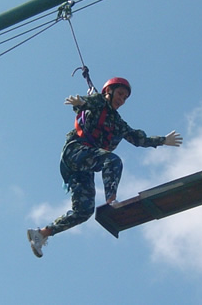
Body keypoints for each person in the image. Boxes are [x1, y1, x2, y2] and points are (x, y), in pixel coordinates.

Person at [27, 77, 182, 258]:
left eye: (125, 98)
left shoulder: (118, 123)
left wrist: (163, 140)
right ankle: (111, 201)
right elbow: (88, 103)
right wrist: (80, 102)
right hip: (76, 152)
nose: (121, 99)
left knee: (84, 211)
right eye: (120, 94)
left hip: (84, 167)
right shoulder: (98, 101)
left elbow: (138, 139)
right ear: (109, 91)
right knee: (113, 161)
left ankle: (41, 234)